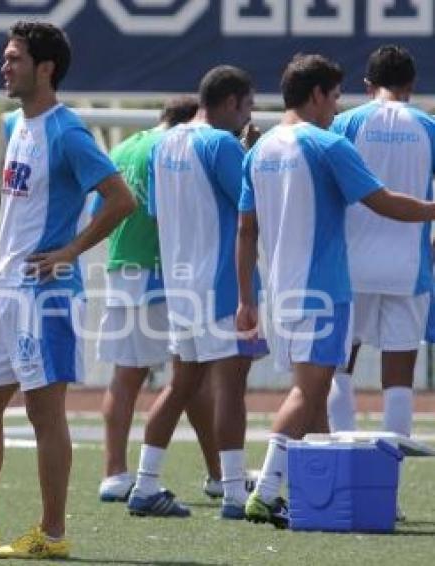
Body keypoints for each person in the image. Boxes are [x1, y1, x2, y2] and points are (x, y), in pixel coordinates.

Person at [0, 21, 135, 560]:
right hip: (8, 292)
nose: (4, 66)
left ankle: (53, 535)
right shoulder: (15, 122)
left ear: (46, 69)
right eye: (5, 57)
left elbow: (120, 199)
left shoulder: (68, 131)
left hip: (46, 293)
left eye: (14, 58)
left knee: (44, 413)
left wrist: (67, 253)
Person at [237, 53, 435, 528]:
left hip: (280, 290)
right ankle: (265, 490)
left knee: (320, 392)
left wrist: (247, 297)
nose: (337, 106)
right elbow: (383, 202)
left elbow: (245, 231)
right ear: (318, 94)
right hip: (323, 290)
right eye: (334, 96)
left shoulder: (258, 151)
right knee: (308, 394)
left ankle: (323, 492)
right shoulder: (327, 145)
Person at [127, 66, 266, 521]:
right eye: (246, 107)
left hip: (180, 283)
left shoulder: (163, 143)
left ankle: (145, 484)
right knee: (231, 388)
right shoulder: (222, 143)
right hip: (221, 284)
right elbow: (252, 205)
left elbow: (156, 210)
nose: (248, 117)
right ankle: (230, 492)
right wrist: (250, 151)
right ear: (230, 102)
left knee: (181, 384)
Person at [94, 96, 234, 503]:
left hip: (121, 267)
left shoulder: (122, 148)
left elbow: (98, 210)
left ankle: (115, 473)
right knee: (192, 378)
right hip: (164, 270)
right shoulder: (176, 147)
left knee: (127, 377)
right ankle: (217, 474)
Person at [327, 45, 433, 441]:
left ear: (368, 85)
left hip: (348, 264)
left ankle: (344, 458)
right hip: (409, 266)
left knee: (338, 364)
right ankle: (388, 483)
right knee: (400, 376)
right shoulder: (428, 126)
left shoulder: (345, 124)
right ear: (411, 84)